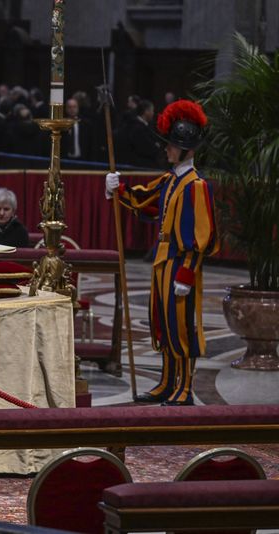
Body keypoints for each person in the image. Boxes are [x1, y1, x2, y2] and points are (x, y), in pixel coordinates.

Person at [105, 99, 218, 406]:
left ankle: (184, 387)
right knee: (163, 322)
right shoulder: (171, 180)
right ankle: (168, 382)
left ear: (187, 150)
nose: (166, 150)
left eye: (172, 146)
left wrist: (186, 273)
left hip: (181, 264)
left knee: (181, 326)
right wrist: (119, 189)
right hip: (162, 262)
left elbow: (201, 238)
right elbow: (146, 202)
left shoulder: (196, 186)